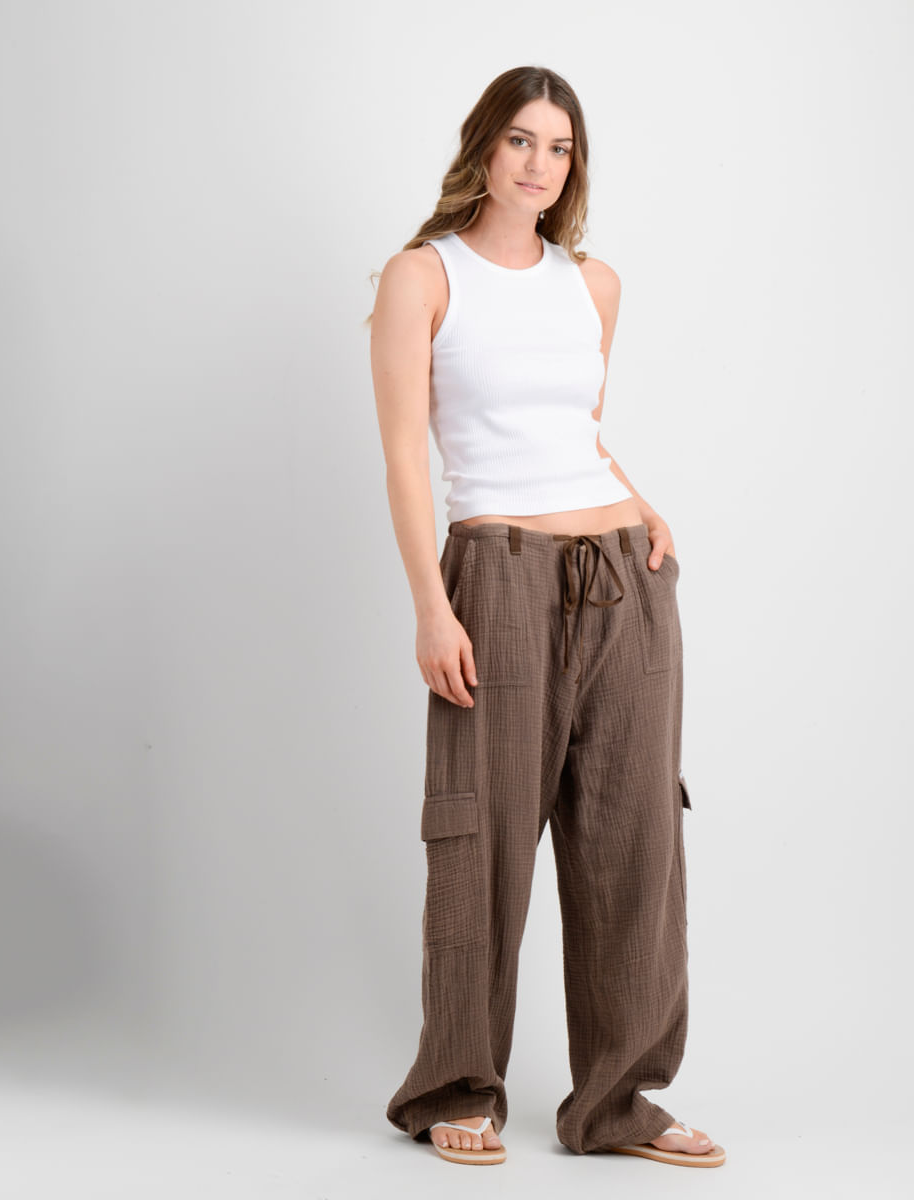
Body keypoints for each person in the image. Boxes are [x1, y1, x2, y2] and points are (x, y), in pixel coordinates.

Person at [367, 65, 725, 1169]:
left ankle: (617, 1103)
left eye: (559, 147)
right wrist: (432, 606)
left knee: (635, 835)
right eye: (520, 139)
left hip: (624, 576)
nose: (539, 163)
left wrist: (644, 505)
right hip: (497, 574)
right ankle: (456, 1086)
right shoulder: (423, 276)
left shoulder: (593, 284)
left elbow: (577, 430)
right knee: (481, 835)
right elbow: (406, 455)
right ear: (483, 146)